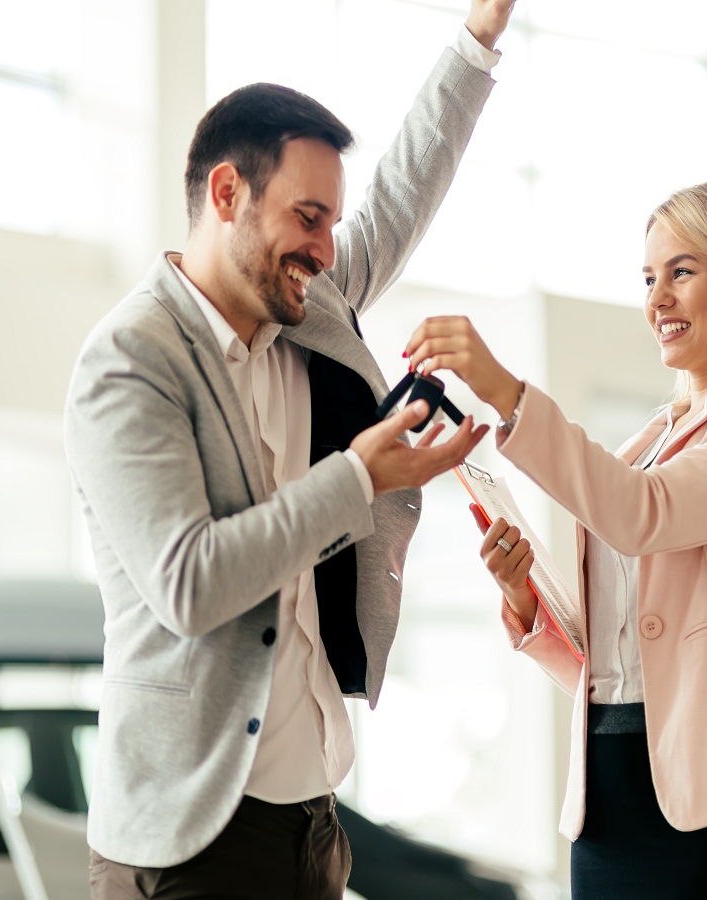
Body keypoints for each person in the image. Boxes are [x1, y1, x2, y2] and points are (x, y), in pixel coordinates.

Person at [63, 2, 515, 897]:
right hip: (188, 843)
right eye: (307, 216)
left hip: (313, 821)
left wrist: (480, 35)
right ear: (227, 193)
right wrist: (360, 477)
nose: (324, 246)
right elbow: (190, 583)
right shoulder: (129, 362)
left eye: (329, 223)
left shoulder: (302, 303)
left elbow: (402, 192)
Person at [404, 180, 707, 899]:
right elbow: (617, 666)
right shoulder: (644, 445)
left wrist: (507, 393)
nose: (657, 299)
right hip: (606, 807)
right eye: (647, 279)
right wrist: (527, 596)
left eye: (682, 272)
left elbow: (646, 513)